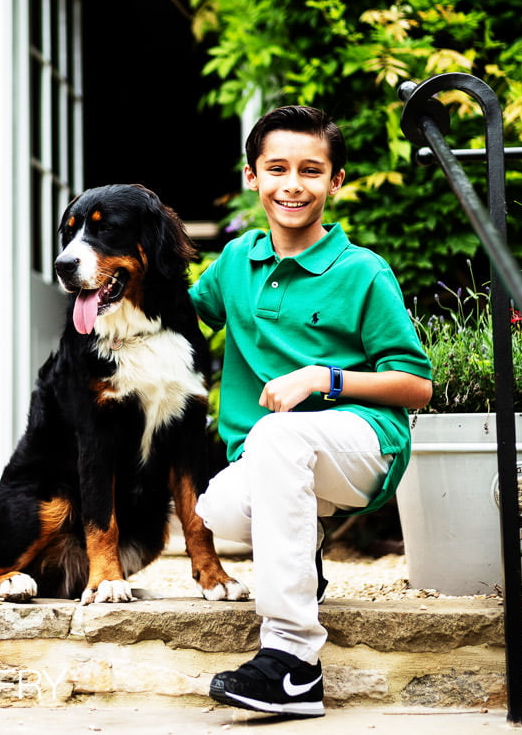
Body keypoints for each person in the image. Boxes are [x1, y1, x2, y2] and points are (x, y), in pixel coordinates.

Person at [189, 104, 433, 718]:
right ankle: (304, 562)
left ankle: (293, 662)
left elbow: (416, 387)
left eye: (310, 170)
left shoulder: (362, 271)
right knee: (216, 510)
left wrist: (323, 378)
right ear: (252, 177)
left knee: (277, 437)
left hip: (365, 445)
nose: (291, 184)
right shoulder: (235, 264)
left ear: (336, 181)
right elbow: (177, 312)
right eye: (276, 169)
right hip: (278, 455)